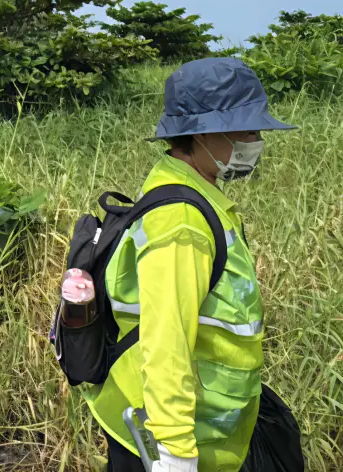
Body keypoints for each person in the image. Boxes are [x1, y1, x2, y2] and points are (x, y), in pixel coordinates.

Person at [84, 57, 301, 472]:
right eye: (247, 128)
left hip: (208, 431)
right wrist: (176, 451)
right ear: (202, 133)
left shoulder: (193, 192)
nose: (256, 140)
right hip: (171, 440)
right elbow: (167, 343)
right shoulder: (181, 223)